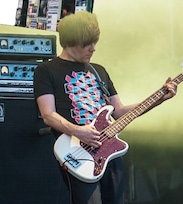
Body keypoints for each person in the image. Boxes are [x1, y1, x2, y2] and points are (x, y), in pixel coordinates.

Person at [33, 11, 177, 204]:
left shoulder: (99, 71)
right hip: (77, 150)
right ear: (70, 42)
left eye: (95, 42)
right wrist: (79, 131)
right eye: (87, 43)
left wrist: (160, 98)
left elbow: (119, 112)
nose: (93, 48)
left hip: (110, 151)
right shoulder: (46, 71)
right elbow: (48, 115)